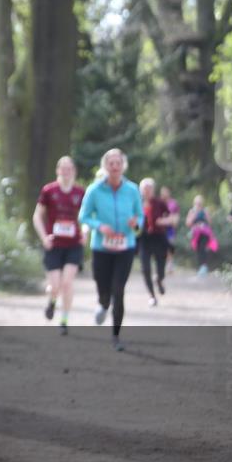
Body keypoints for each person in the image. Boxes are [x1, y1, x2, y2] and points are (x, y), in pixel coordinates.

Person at [78, 148, 143, 352]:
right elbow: (83, 216)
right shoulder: (94, 190)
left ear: (123, 166)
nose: (115, 167)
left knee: (119, 290)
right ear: (105, 166)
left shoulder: (132, 190)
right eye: (111, 163)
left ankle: (116, 336)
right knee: (103, 289)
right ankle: (103, 304)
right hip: (101, 247)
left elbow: (140, 216)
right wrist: (99, 226)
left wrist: (136, 223)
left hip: (125, 247)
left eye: (118, 163)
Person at [32, 156, 85, 335]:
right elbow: (37, 216)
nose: (66, 172)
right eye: (63, 168)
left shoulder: (80, 192)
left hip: (73, 245)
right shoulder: (49, 190)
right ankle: (52, 301)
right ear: (58, 171)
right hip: (53, 244)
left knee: (67, 283)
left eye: (69, 168)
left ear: (74, 171)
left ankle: (64, 320)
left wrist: (85, 233)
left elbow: (85, 218)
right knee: (55, 285)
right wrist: (44, 237)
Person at [138, 178, 173, 306]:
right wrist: (136, 229)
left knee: (160, 267)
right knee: (145, 268)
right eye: (144, 189)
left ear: (153, 190)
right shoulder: (137, 203)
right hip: (143, 240)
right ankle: (152, 295)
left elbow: (170, 217)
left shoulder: (159, 203)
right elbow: (132, 221)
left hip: (159, 238)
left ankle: (159, 279)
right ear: (141, 191)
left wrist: (163, 221)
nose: (147, 191)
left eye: (149, 188)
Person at [185, 195, 217, 276]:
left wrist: (207, 215)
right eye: (197, 203)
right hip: (196, 234)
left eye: (200, 203)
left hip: (204, 233)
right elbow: (188, 223)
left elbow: (210, 223)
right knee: (198, 249)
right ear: (194, 203)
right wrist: (194, 216)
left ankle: (204, 267)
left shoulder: (205, 210)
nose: (198, 205)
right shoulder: (192, 211)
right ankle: (201, 267)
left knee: (203, 248)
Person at [159, 186, 179, 274]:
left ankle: (170, 264)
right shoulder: (159, 202)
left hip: (170, 230)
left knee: (170, 247)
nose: (164, 194)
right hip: (160, 229)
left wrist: (171, 221)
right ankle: (162, 265)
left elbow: (175, 217)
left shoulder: (173, 203)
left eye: (166, 192)